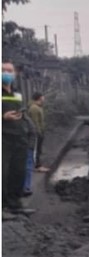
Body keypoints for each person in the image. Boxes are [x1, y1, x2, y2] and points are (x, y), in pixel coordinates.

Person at [2, 61, 35, 216]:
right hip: (3, 138)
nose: (6, 74)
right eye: (3, 70)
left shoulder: (18, 93)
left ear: (15, 73)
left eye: (9, 71)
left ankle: (14, 204)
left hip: (19, 136)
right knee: (4, 172)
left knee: (18, 171)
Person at [28, 92, 50, 172]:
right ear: (39, 98)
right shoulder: (34, 108)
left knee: (38, 149)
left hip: (40, 131)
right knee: (36, 149)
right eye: (43, 96)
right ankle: (37, 166)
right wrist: (38, 132)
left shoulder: (38, 107)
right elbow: (35, 122)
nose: (44, 98)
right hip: (36, 132)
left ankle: (38, 165)